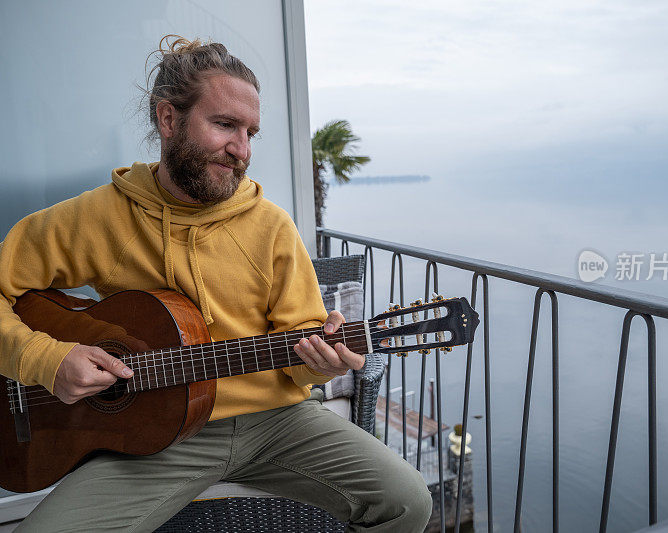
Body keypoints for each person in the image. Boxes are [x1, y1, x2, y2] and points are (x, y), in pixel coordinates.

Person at [0, 36, 432, 532]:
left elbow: (304, 343)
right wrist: (45, 360)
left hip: (278, 423)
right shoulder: (100, 218)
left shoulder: (270, 226)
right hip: (155, 433)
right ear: (168, 119)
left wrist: (322, 361)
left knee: (406, 502)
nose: (241, 149)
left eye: (251, 132)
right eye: (225, 125)